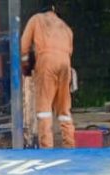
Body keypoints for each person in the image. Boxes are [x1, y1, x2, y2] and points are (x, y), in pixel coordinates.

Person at [21, 3, 75, 149]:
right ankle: (70, 145)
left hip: (46, 62)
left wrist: (26, 68)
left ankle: (47, 149)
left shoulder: (36, 19)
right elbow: (70, 51)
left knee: (44, 109)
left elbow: (24, 47)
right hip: (65, 63)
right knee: (64, 109)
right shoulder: (65, 27)